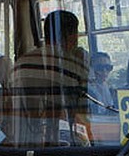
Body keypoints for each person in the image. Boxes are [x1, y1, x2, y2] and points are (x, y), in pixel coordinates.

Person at [9, 10, 92, 144]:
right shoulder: (77, 67)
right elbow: (82, 117)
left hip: (20, 145)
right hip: (60, 145)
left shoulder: (19, 65)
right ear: (71, 36)